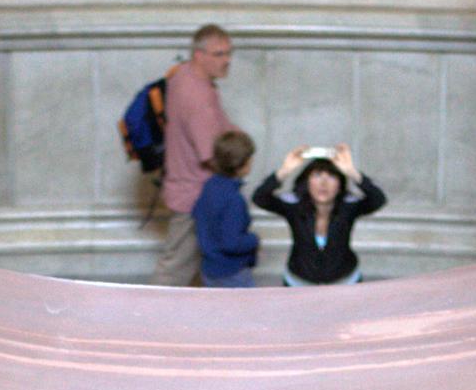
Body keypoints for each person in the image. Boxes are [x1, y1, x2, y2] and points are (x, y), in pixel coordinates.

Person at [148, 23, 233, 286]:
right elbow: (210, 153)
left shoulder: (184, 75)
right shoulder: (197, 95)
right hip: (195, 196)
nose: (227, 60)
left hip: (188, 189)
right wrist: (241, 159)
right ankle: (147, 320)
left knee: (186, 264)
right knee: (174, 269)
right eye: (219, 54)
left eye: (229, 53)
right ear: (199, 55)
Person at [253, 145, 386, 285]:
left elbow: (378, 199)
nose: (324, 183)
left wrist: (351, 171)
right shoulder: (295, 206)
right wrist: (285, 170)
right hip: (298, 282)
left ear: (340, 184)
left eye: (332, 176)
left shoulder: (348, 207)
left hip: (345, 282)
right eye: (317, 175)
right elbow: (260, 198)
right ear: (307, 181)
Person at [194, 130, 260, 287]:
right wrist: (254, 239)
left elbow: (197, 213)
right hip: (231, 271)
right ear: (241, 165)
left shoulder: (210, 186)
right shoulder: (233, 200)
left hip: (209, 266)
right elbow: (231, 243)